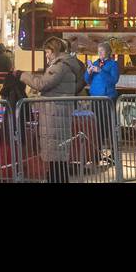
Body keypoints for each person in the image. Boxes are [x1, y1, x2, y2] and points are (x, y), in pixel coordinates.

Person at [19, 36, 84, 182]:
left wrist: (22, 75)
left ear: (54, 51)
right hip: (58, 114)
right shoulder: (65, 65)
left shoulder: (59, 67)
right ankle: (55, 178)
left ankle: (56, 179)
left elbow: (42, 84)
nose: (46, 55)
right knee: (58, 156)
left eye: (47, 52)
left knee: (56, 156)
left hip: (55, 114)